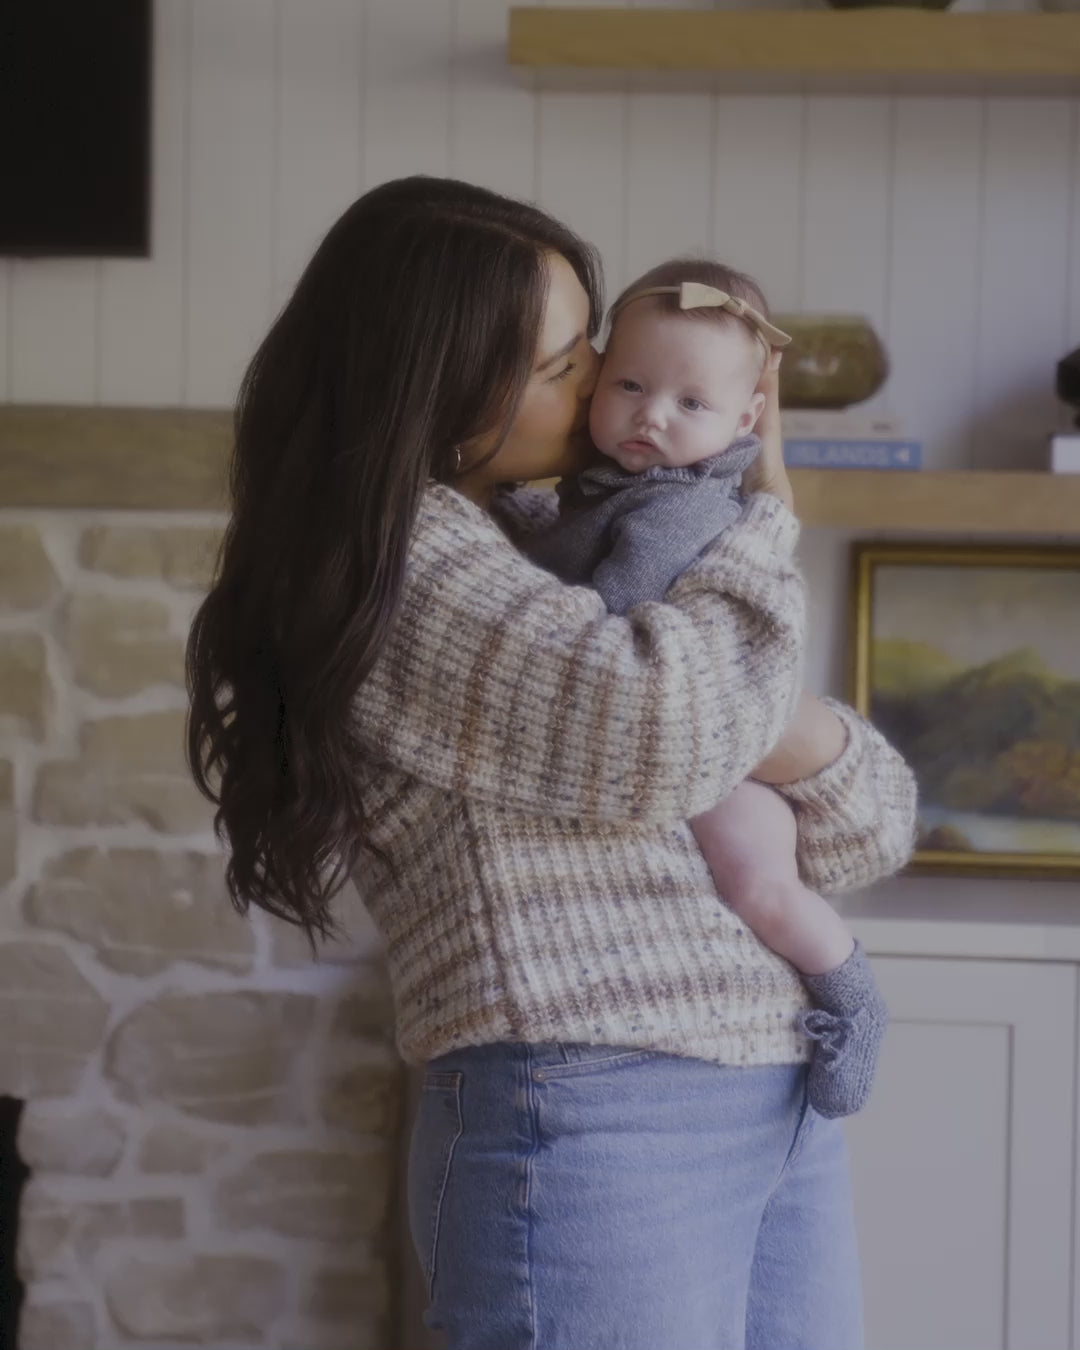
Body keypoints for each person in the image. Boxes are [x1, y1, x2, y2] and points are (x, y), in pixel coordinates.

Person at [186, 175, 918, 1350]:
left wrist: (756, 706)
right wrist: (763, 517)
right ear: (436, 384)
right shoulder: (394, 563)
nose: (603, 383)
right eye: (565, 363)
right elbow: (671, 732)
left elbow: (870, 824)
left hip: (767, 1083)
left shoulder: (558, 547)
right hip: (589, 1105)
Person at [523, 256, 888, 1122]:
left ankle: (854, 999)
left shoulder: (677, 508)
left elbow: (609, 622)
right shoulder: (607, 490)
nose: (651, 415)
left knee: (760, 890)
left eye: (691, 403)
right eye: (630, 385)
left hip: (729, 775)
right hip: (694, 755)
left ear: (746, 420)